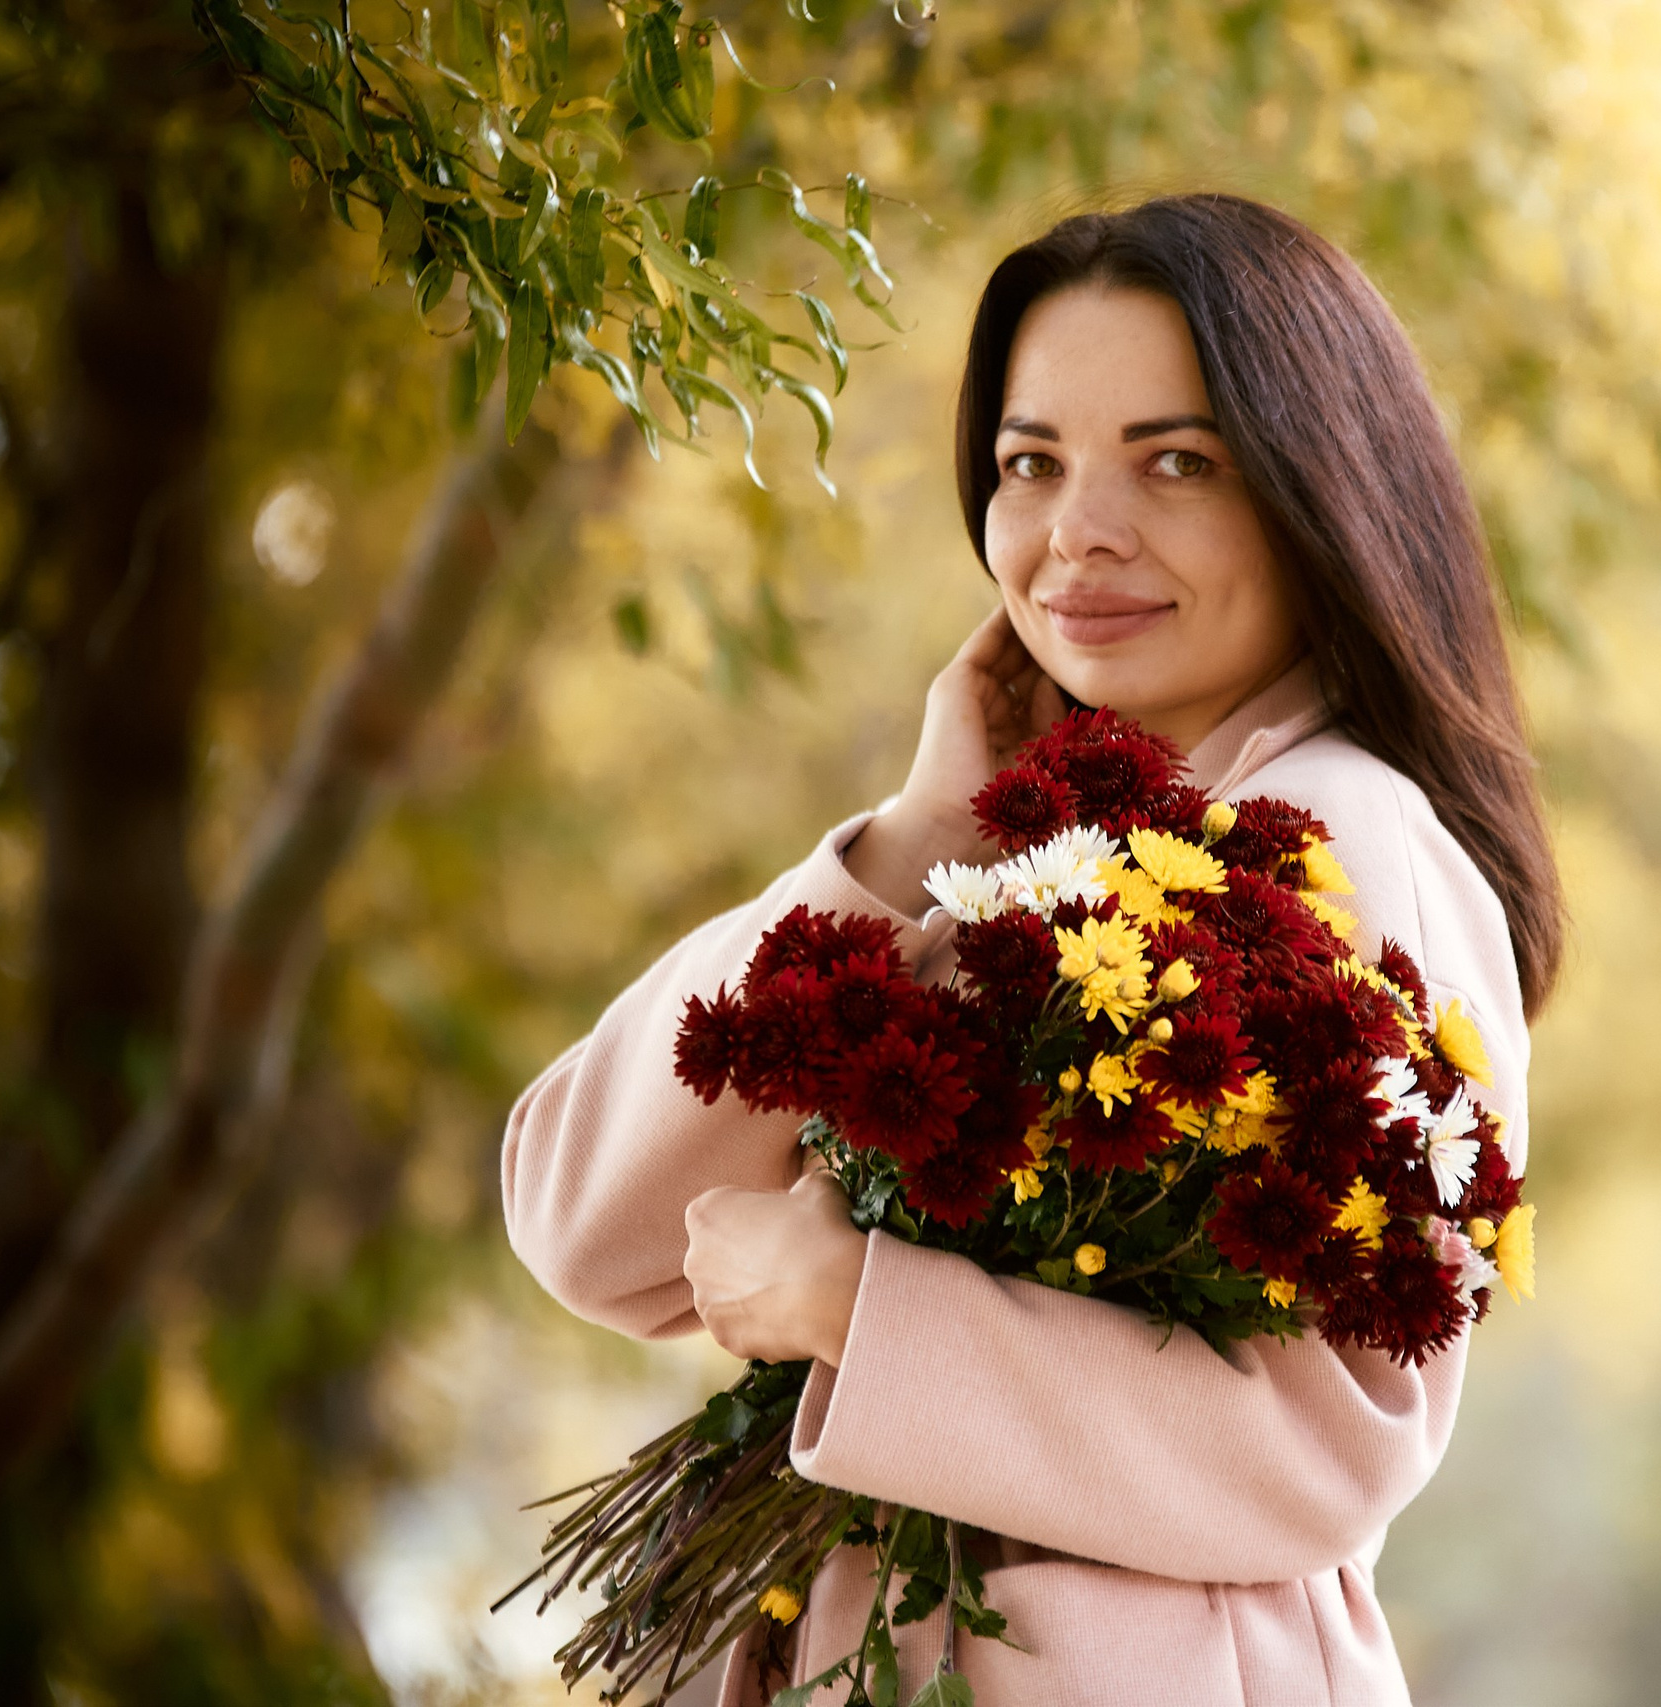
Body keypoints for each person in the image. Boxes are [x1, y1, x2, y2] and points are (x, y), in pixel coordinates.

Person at [500, 194, 1563, 1707]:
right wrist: (907, 842)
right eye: (1031, 464)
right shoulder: (1026, 866)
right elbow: (585, 1229)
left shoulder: (1342, 842)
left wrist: (863, 1312)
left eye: (1178, 462)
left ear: (1319, 494)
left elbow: (1340, 1437)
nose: (1079, 535)